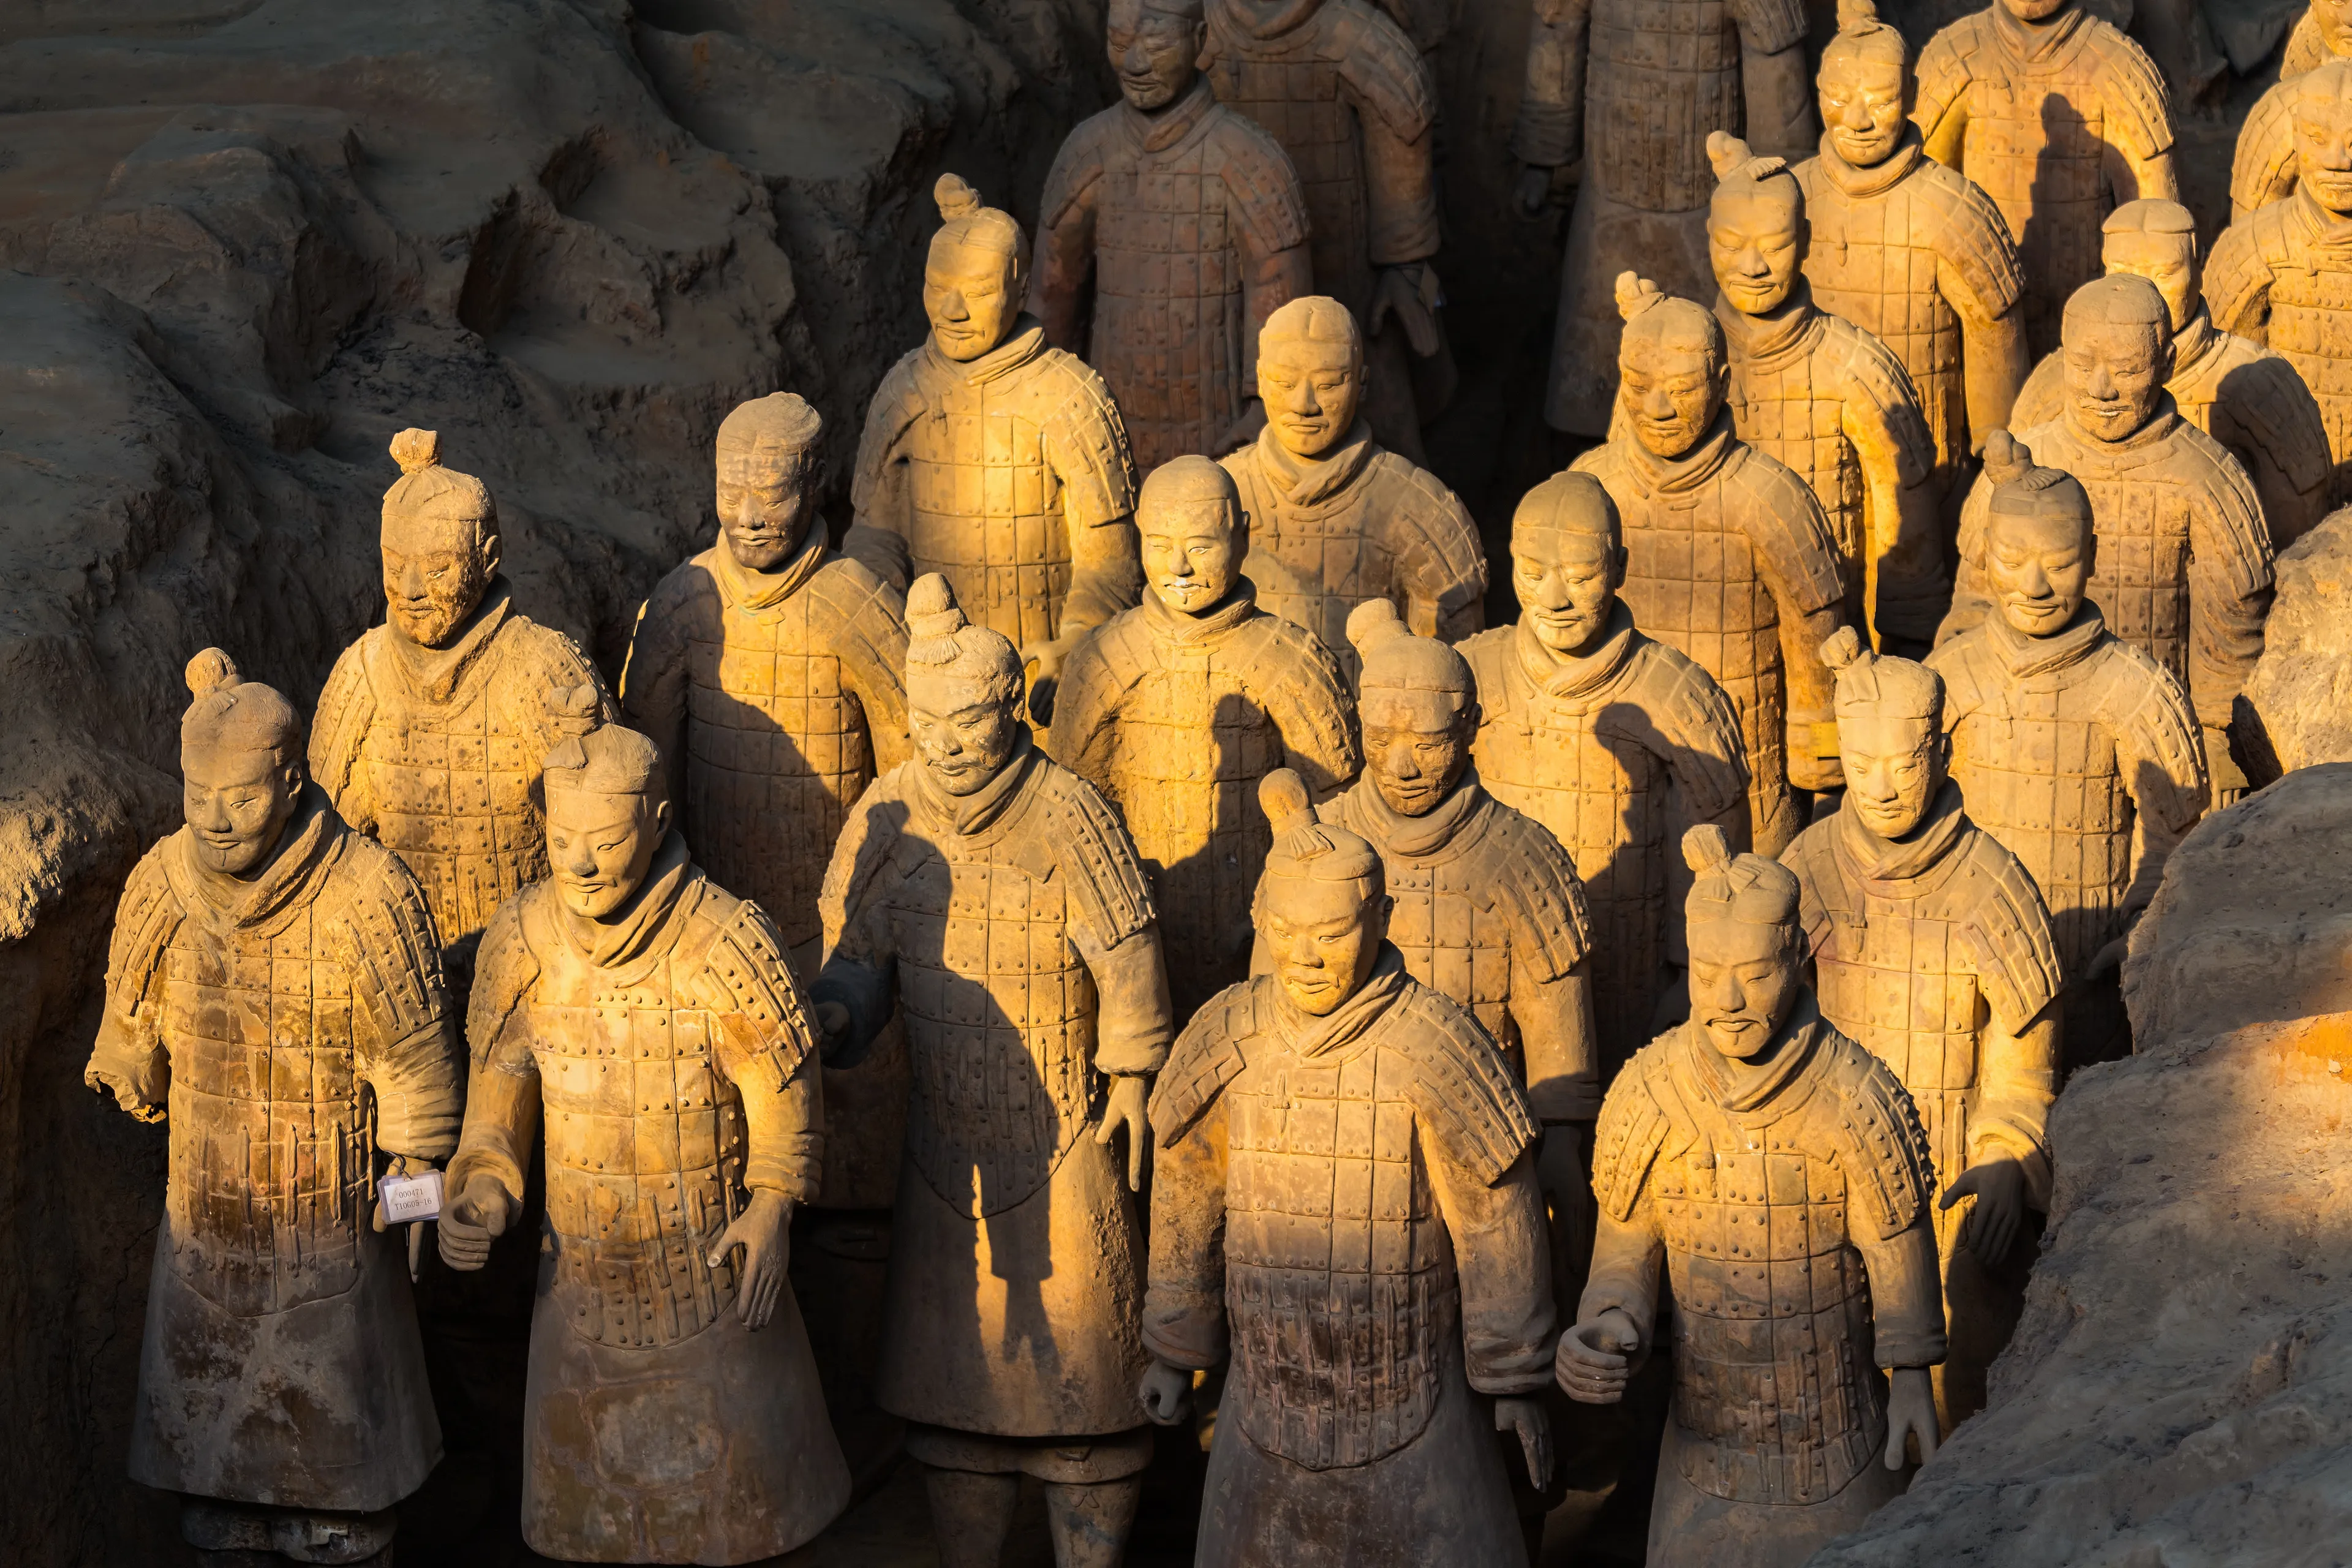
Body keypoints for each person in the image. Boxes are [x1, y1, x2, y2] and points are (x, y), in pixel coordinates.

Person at [813, 575, 1177, 1568]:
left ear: (1013, 707)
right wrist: (839, 1011)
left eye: (964, 724)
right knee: (952, 1394)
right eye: (925, 725)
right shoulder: (890, 816)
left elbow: (1128, 951)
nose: (942, 746)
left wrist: (1135, 1072)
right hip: (942, 1141)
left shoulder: (1072, 815)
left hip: (1066, 1128)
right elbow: (856, 958)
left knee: (1091, 1394)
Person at [440, 723, 851, 1562]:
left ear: (659, 820)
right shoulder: (521, 942)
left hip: (713, 1289)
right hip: (581, 1296)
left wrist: (772, 1209)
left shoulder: (727, 939)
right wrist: (480, 1189)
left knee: (740, 1535)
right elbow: (494, 1116)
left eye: (605, 841)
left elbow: (784, 1095)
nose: (579, 864)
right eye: (561, 842)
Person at [88, 650, 461, 1568]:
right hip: (207, 1226)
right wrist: (129, 1068)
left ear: (294, 781)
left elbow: (419, 1082)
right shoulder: (159, 888)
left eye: (244, 798)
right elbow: (125, 1038)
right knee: (218, 1508)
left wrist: (414, 1197)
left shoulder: (370, 897)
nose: (215, 821)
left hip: (328, 1231)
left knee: (339, 1513)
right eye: (199, 793)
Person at [1142, 768, 1558, 1567]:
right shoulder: (1227, 1038)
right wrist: (1174, 1347)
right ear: (1261, 918)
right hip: (1266, 1401)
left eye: (1332, 932)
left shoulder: (1435, 1044)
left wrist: (1512, 1379)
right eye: (1289, 931)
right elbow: (1188, 1195)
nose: (1307, 956)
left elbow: (1493, 1216)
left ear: (1380, 917)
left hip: (1416, 1401)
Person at [1556, 824, 1944, 1567]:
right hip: (1704, 1467)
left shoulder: (1856, 1098)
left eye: (1756, 975)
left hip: (1842, 1454)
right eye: (1707, 974)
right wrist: (1603, 1329)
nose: (1728, 1000)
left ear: (1799, 961)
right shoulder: (1649, 1094)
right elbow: (1622, 1263)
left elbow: (1897, 1248)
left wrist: (1914, 1379)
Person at [1784, 628, 2064, 1427]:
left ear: (1941, 752)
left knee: (1953, 1401)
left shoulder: (1994, 884)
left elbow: (2024, 1061)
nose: (1880, 786)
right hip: (1823, 1180)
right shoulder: (1805, 870)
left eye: (1900, 762)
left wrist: (2009, 1156)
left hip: (1947, 1187)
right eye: (1861, 763)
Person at [1930, 431, 2209, 1069]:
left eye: (2057, 563)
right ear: (1984, 558)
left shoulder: (2134, 689)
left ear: (2092, 556)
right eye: (2010, 560)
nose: (2033, 585)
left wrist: (2145, 926)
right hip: (1966, 984)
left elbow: (2180, 840)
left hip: (2086, 980)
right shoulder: (1950, 677)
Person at [1462, 471, 1756, 1066]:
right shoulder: (1471, 674)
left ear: (1620, 567)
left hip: (1630, 969)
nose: (1554, 598)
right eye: (1533, 572)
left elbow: (1716, 862)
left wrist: (1687, 973)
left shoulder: (1677, 695)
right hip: (1490, 967)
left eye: (1580, 576)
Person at [1941, 274, 2273, 801]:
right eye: (2082, 366)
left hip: (2160, 755)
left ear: (2166, 363)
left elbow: (2228, 668)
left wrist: (2214, 781)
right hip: (2015, 744)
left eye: (2127, 369)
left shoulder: (2206, 479)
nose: (2102, 389)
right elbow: (1971, 614)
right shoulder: (2022, 465)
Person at [1049, 456, 1358, 1017]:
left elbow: (1337, 819)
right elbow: (1070, 814)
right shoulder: (1104, 657)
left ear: (1241, 535)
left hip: (1264, 944)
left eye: (1200, 546)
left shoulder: (1289, 657)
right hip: (1137, 942)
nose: (1179, 568)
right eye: (1160, 544)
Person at [310, 429, 611, 981]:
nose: (410, 589)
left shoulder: (543, 669)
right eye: (394, 564)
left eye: (439, 568)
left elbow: (618, 847)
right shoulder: (360, 675)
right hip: (392, 983)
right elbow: (318, 862)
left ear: (488, 558)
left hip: (533, 975)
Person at [1572, 272, 1849, 853]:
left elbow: (1816, 645)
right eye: (1639, 385)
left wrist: (1824, 775)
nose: (1659, 408)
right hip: (1612, 782)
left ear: (1723, 383)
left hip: (1747, 776)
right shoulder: (1592, 487)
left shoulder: (1772, 499)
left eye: (1682, 388)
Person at [848, 175, 1141, 718]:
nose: (953, 311)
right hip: (926, 684)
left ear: (1022, 286)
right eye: (939, 288)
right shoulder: (904, 390)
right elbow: (875, 535)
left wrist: (1075, 642)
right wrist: (874, 612)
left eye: (980, 293)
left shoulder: (1069, 396)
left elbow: (1111, 564)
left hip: (1036, 683)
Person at [1513, 0, 1816, 437]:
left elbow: (1777, 78)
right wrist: (1541, 158)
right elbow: (1556, 32)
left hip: (1709, 211)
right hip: (1608, 202)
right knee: (1591, 387)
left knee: (1707, 385)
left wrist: (1784, 194)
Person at [1035, 0, 1315, 471]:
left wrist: (1265, 407)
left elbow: (1281, 297)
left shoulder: (1248, 157)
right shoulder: (1088, 150)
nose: (1134, 63)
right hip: (1104, 432)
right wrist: (1037, 394)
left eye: (1156, 44)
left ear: (1200, 40)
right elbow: (1052, 291)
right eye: (1119, 43)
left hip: (1219, 433)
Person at [1706, 130, 1943, 652]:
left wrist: (1907, 646)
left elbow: (1907, 524)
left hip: (1831, 656)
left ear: (1807, 240)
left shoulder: (1855, 365)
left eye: (1775, 246)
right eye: (1731, 245)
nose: (1753, 267)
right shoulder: (1680, 361)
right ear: (1706, 237)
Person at [1796, 0, 2028, 492]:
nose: (1857, 120)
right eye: (1839, 98)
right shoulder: (1792, 201)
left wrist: (1996, 470)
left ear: (1912, 95)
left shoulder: (1954, 210)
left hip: (1926, 477)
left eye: (1880, 100)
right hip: (1806, 466)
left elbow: (1995, 348)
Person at [2010, 200, 2334, 551]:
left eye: (2165, 274)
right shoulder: (2054, 382)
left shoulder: (2261, 386)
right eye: (2123, 271)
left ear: (2200, 266)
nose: (2146, 287)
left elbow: (2301, 542)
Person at [1219, 294, 1487, 679]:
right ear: (1260, 379)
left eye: (1328, 385)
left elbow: (1450, 687)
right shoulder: (1222, 495)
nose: (1304, 404)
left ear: (1361, 383)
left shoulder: (1420, 509)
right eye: (1284, 382)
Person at [1912, 0, 2178, 353]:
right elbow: (1919, 214)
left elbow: (2159, 246)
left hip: (2092, 343)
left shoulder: (2119, 66)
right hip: (1977, 331)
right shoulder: (1954, 57)